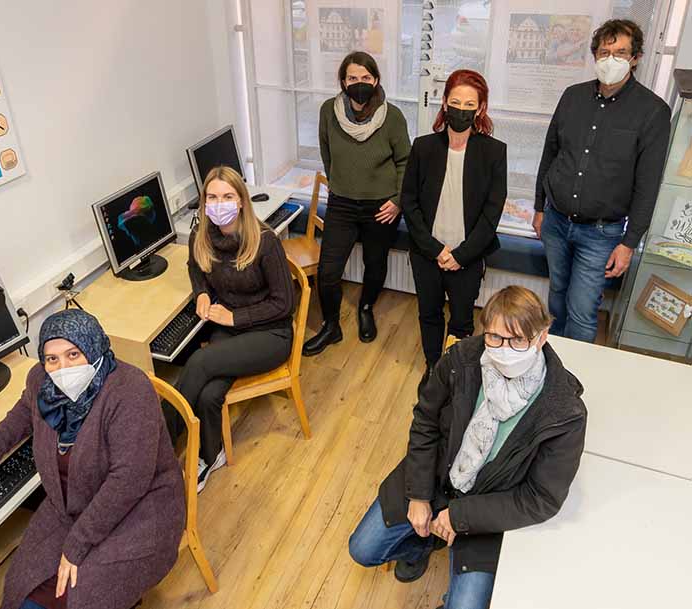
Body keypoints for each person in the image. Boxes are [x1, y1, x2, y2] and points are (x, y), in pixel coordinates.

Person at [348, 286, 587, 609]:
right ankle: (421, 546)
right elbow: (425, 422)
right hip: (437, 477)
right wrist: (418, 495)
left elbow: (541, 498)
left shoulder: (563, 411)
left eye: (518, 340)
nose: (504, 350)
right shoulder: (461, 360)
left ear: (541, 337)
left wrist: (459, 517)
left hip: (488, 507)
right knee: (362, 549)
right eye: (495, 338)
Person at [0, 309, 185, 609]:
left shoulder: (130, 391)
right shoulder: (40, 381)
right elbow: (23, 411)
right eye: (52, 359)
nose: (62, 368)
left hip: (140, 512)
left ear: (94, 347)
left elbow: (129, 481)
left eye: (73, 354)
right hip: (72, 504)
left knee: (83, 598)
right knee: (21, 592)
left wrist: (75, 545)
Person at [534, 19, 670, 343]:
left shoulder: (652, 112)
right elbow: (550, 153)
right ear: (595, 55)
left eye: (621, 52)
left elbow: (647, 185)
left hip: (601, 233)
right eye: (605, 52)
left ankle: (575, 381)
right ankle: (554, 366)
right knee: (557, 297)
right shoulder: (572, 97)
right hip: (555, 221)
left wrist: (629, 243)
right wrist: (539, 207)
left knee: (582, 310)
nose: (611, 59)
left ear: (635, 58)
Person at [176, 165, 294, 492]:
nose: (219, 203)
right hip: (231, 327)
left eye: (227, 196)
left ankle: (156, 444)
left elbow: (284, 304)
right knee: (211, 392)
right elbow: (195, 267)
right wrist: (201, 292)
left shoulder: (265, 242)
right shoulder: (202, 237)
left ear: (241, 201)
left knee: (200, 362)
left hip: (271, 333)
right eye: (212, 197)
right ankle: (210, 455)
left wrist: (234, 319)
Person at [401, 69, 507, 389]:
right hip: (427, 253)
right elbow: (410, 202)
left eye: (469, 104)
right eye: (455, 101)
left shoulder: (493, 152)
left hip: (468, 256)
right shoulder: (423, 147)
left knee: (461, 319)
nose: (461, 109)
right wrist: (436, 250)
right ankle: (434, 366)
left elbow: (492, 213)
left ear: (481, 109)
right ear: (444, 102)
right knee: (429, 313)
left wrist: (460, 255)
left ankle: (455, 371)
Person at [304, 51, 411, 355]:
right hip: (342, 204)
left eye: (366, 78)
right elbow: (327, 153)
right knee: (328, 270)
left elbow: (405, 161)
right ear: (343, 81)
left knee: (374, 265)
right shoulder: (329, 111)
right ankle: (331, 326)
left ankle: (366, 308)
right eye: (353, 78)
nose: (359, 83)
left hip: (382, 207)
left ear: (376, 80)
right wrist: (340, 183)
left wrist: (397, 201)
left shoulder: (392, 117)